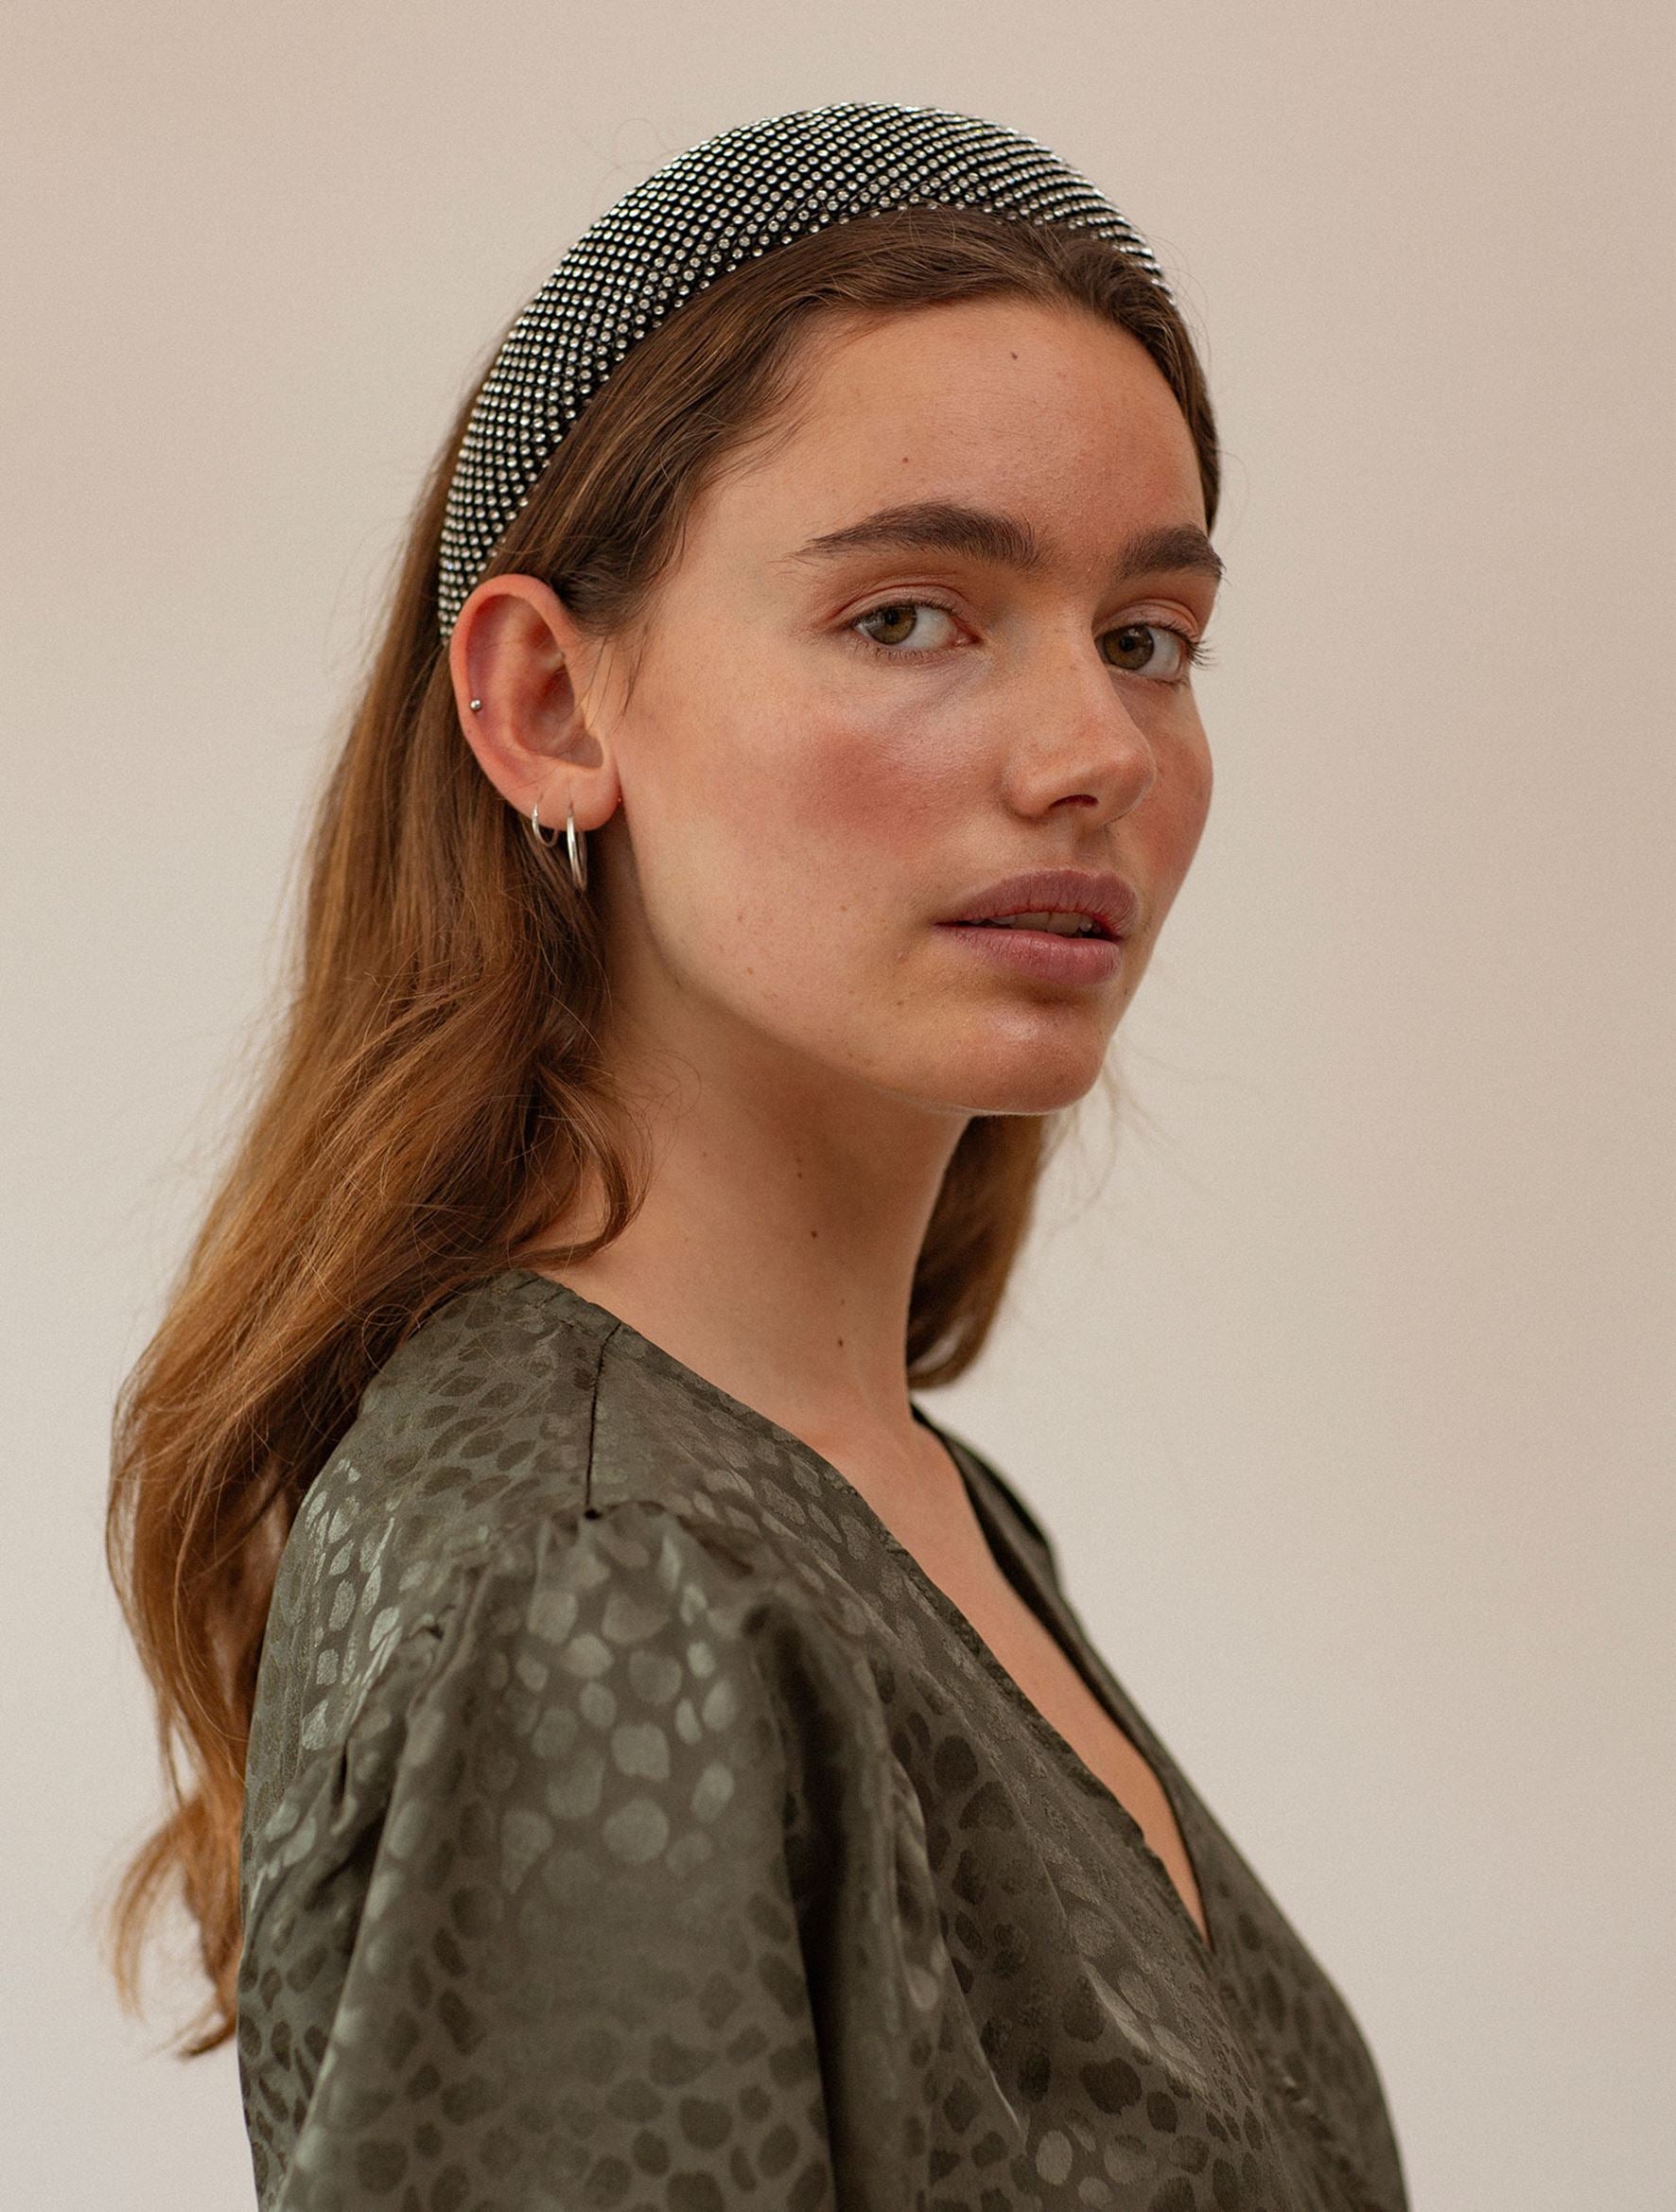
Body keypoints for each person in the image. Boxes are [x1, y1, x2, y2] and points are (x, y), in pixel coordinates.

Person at [105, 101, 1409, 2210]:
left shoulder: (899, 1499)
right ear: (548, 703)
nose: (1094, 750)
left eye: (1146, 637)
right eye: (909, 615)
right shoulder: (598, 1571)